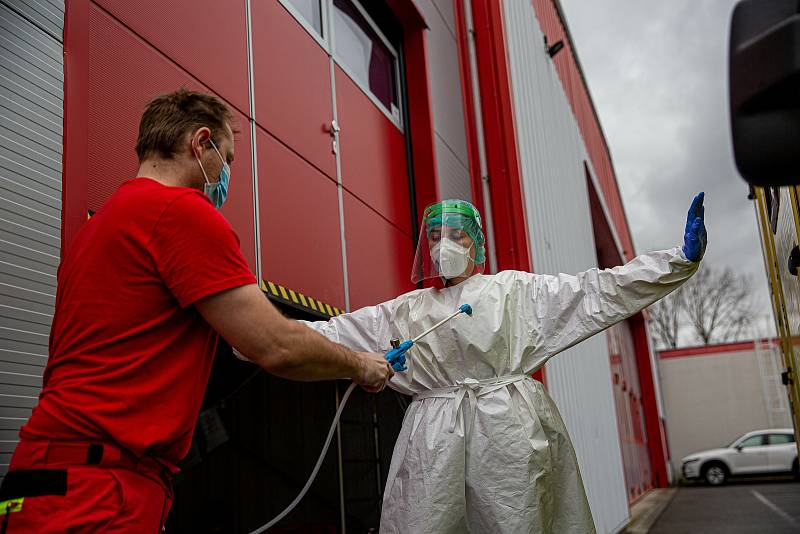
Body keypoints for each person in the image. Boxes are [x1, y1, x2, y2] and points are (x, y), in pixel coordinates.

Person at [0, 89, 393, 533]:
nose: (226, 176)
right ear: (200, 143)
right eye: (226, 159)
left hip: (42, 483)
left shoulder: (101, 226)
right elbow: (277, 346)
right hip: (100, 492)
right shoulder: (180, 212)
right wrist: (360, 365)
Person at [301, 196, 707, 533]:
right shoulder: (407, 310)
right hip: (433, 434)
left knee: (516, 518)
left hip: (506, 426)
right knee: (422, 520)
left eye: (456, 235)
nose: (444, 246)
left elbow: (595, 292)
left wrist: (676, 262)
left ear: (476, 243)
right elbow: (337, 332)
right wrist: (252, 334)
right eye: (437, 236)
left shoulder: (512, 291)